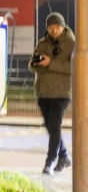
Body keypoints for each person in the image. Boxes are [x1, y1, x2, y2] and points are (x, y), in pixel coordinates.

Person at [30, 12, 76, 175]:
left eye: (56, 27)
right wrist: (35, 62)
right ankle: (64, 157)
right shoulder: (42, 43)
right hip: (43, 92)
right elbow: (32, 66)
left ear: (63, 28)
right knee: (51, 128)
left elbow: (73, 68)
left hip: (61, 93)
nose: (53, 30)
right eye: (50, 27)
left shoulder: (71, 43)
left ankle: (50, 162)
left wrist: (50, 63)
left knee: (54, 126)